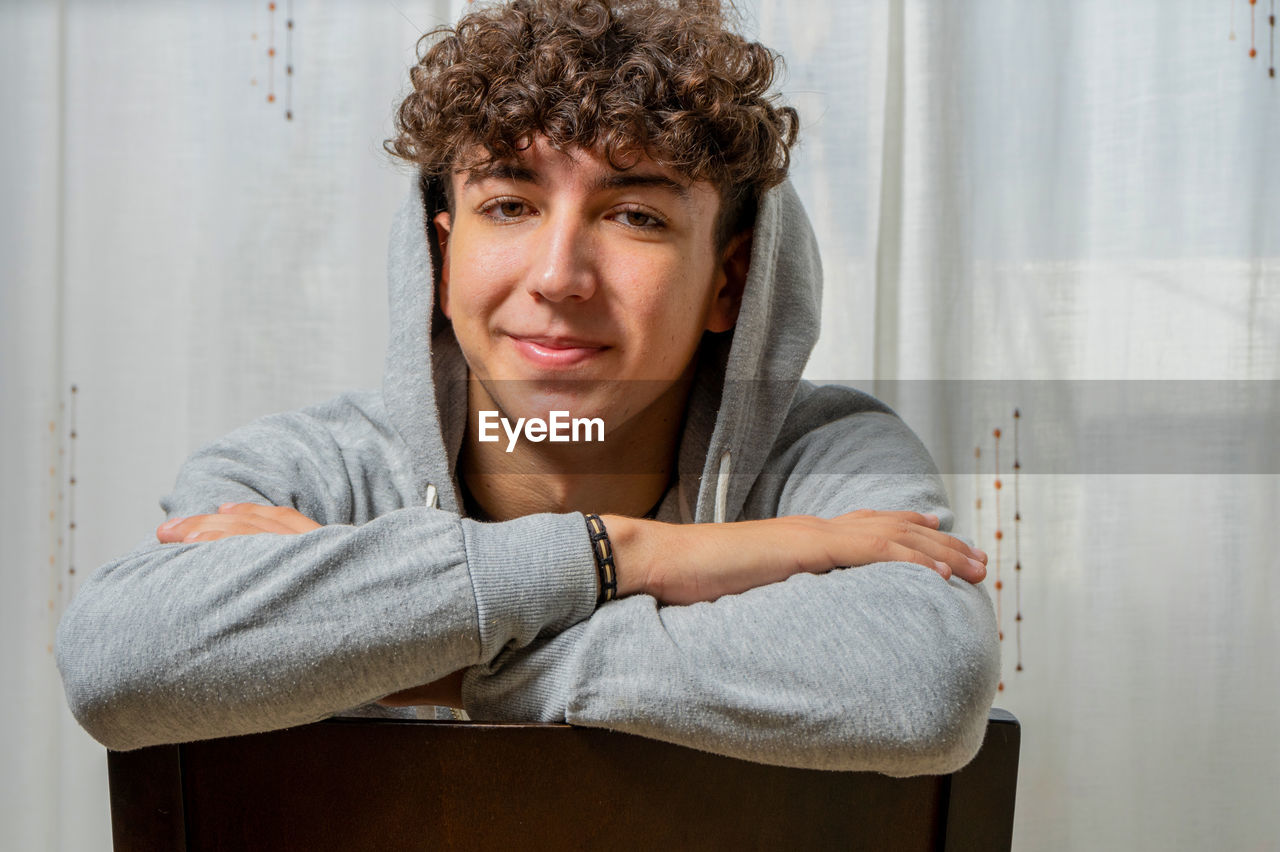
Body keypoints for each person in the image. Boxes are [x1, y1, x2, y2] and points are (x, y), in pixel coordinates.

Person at [56, 0, 998, 776]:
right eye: (508, 204)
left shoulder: (824, 462)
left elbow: (923, 686)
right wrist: (624, 555)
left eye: (634, 214)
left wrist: (418, 653)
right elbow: (118, 659)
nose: (558, 276)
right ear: (442, 250)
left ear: (730, 282)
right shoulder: (304, 469)